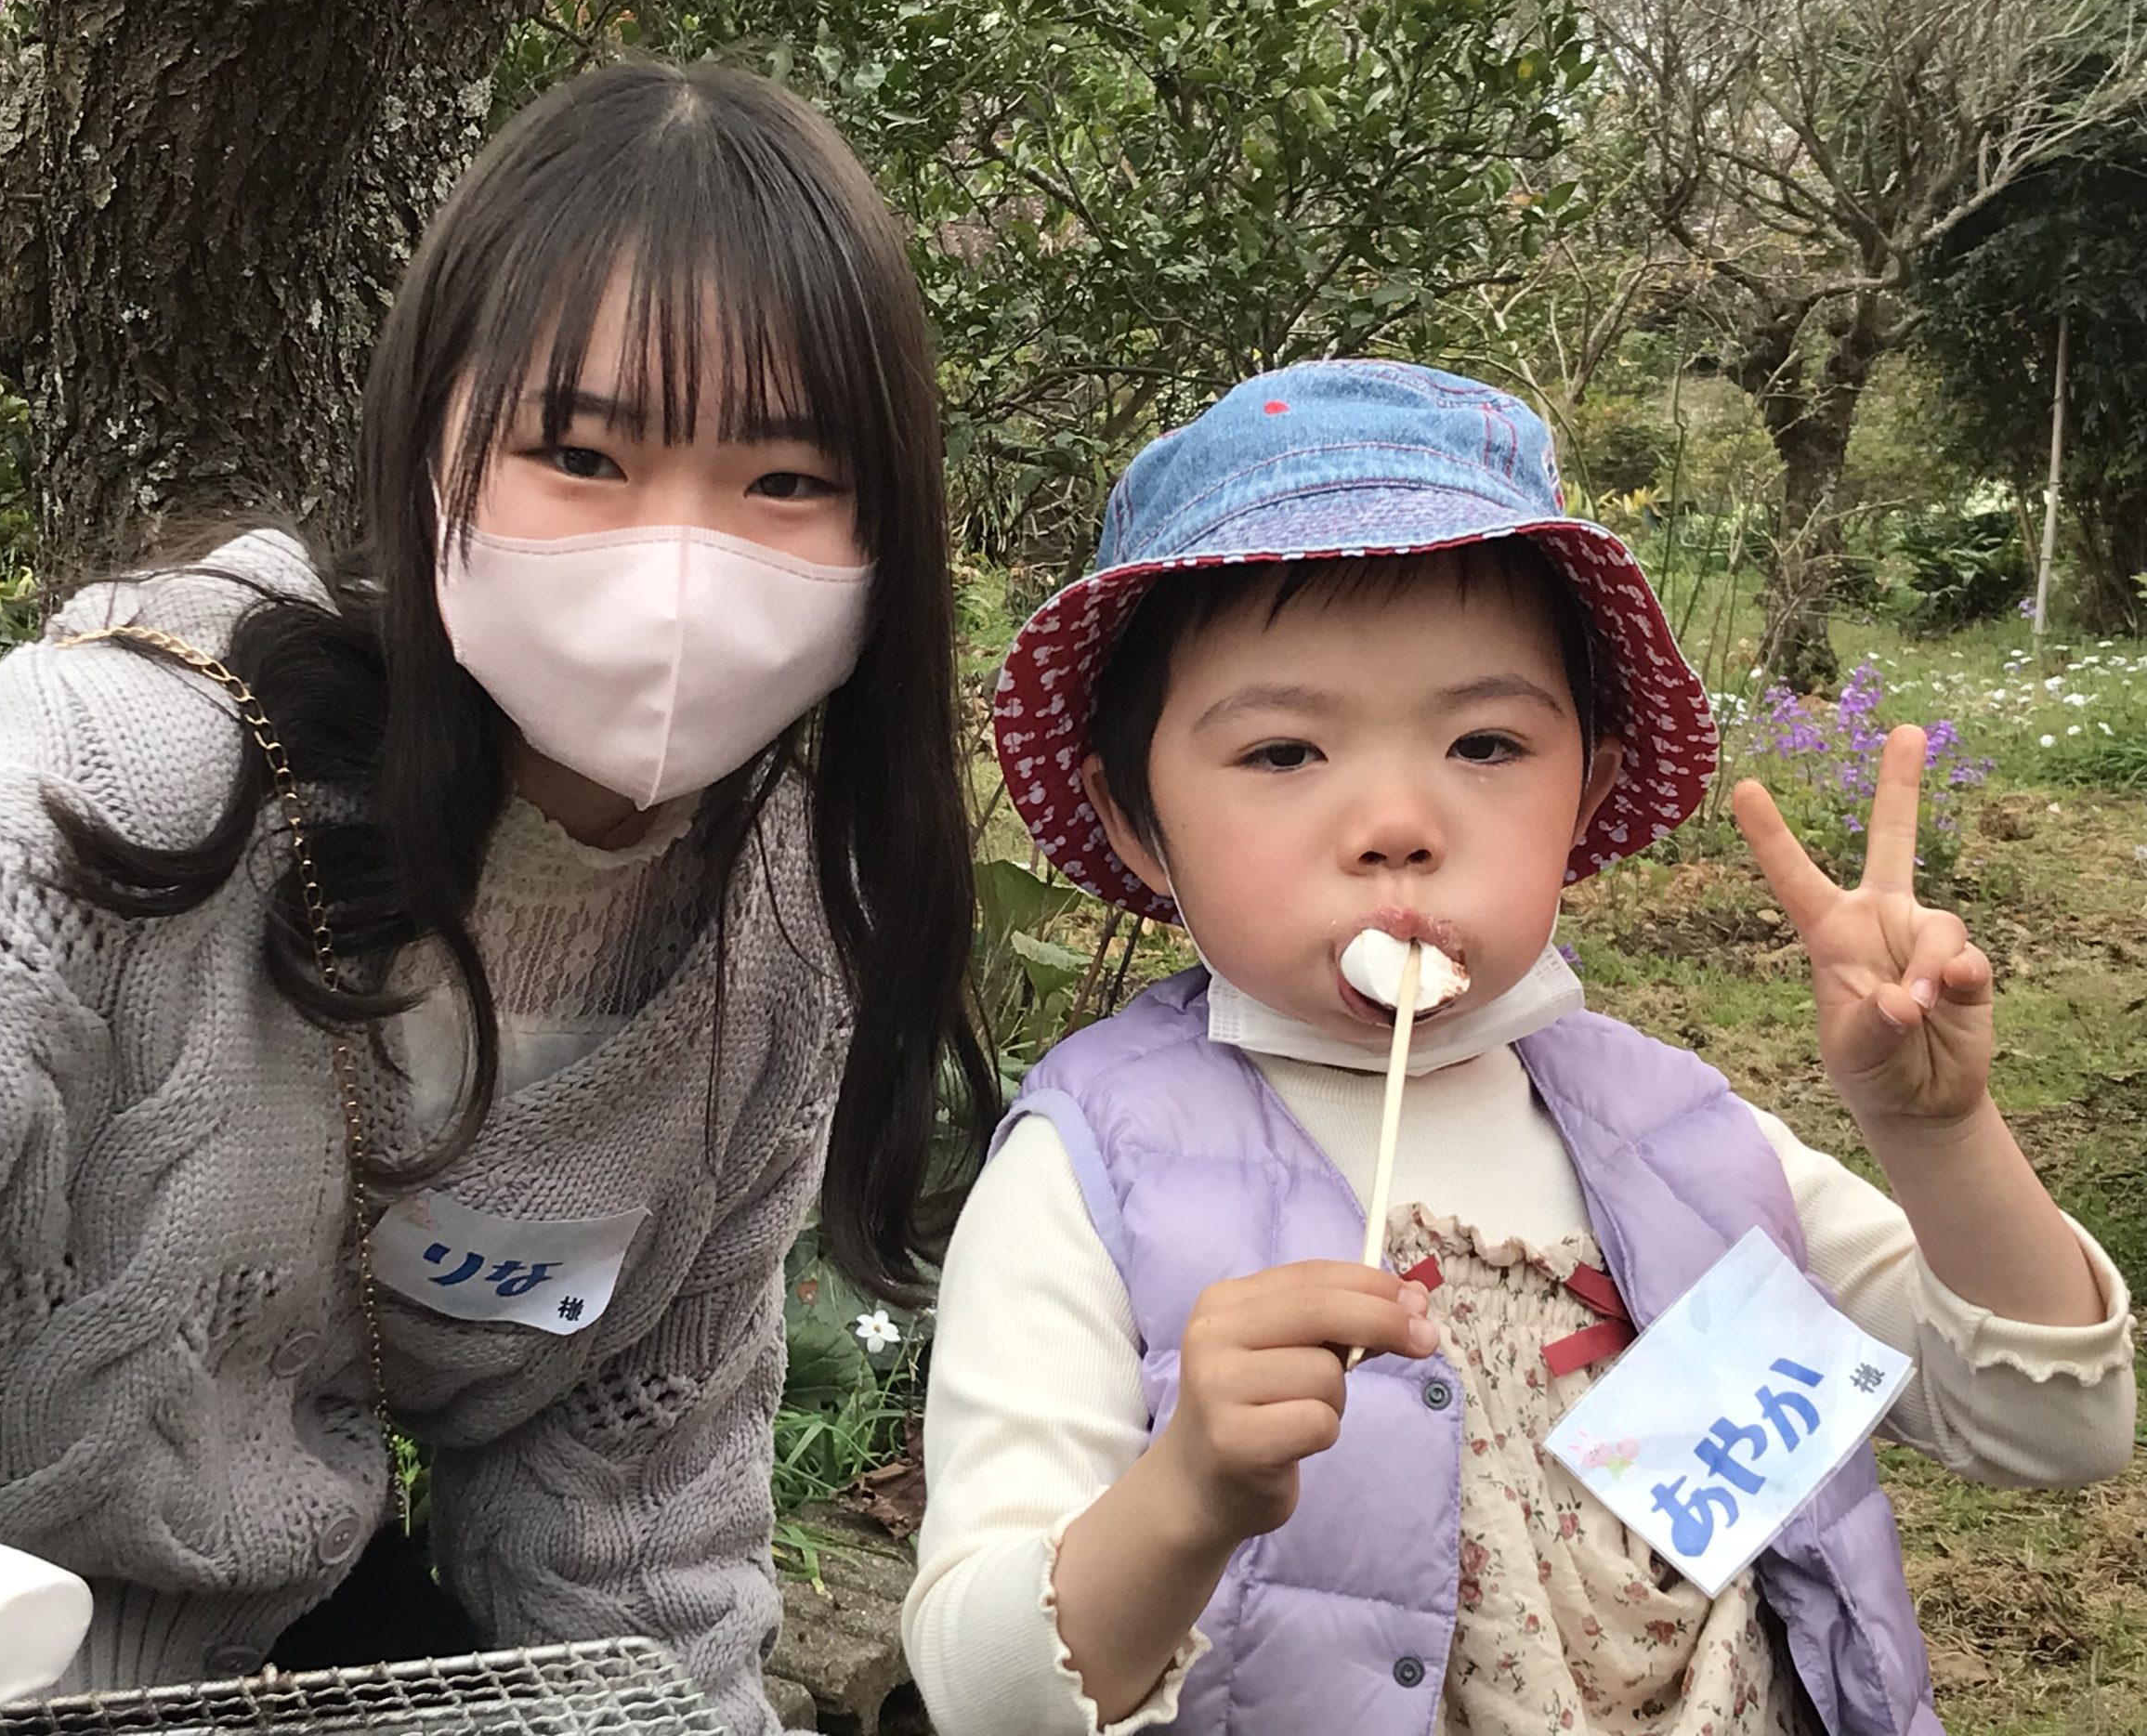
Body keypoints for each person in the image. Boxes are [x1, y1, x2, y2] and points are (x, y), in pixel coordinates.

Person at [0, 61, 992, 1735]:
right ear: (433, 453)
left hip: (260, 1662)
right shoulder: (94, 781)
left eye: (787, 480)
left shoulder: (778, 943)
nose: (682, 566)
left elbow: (626, 1534)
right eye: (582, 453)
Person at [904, 360, 2134, 1735]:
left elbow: (2052, 1430)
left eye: (1486, 743)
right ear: (1135, 824)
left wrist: (1935, 1133)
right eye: (1282, 753)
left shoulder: (1676, 1140)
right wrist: (1185, 1495)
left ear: (1586, 795)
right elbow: (983, 1693)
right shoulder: (1096, 1175)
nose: (1396, 821)